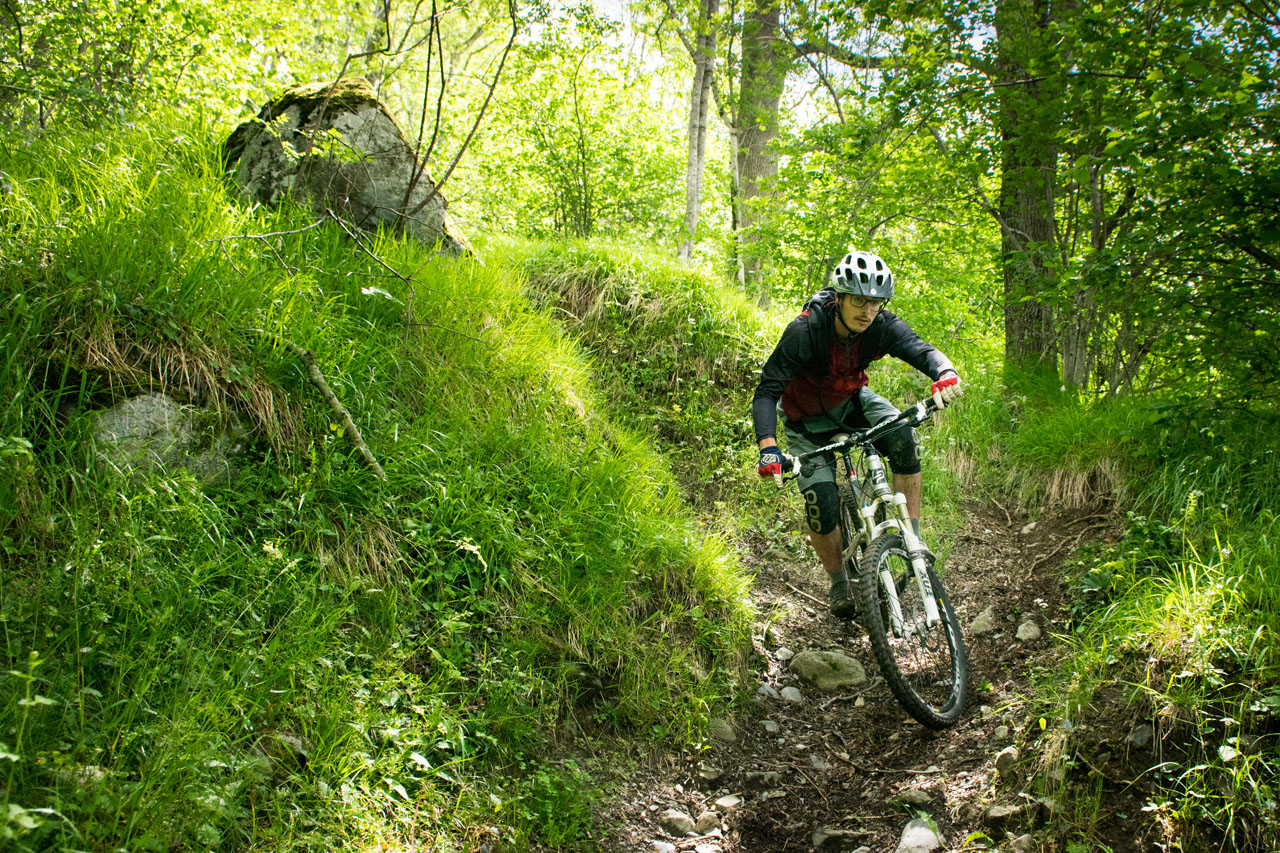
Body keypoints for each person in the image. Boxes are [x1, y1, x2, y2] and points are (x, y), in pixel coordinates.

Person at [752, 250, 962, 618]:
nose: (868, 312)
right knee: (823, 504)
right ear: (840, 298)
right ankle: (837, 581)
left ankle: (911, 535)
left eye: (876, 303)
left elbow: (919, 348)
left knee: (902, 436)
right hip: (805, 423)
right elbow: (767, 391)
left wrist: (944, 372)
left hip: (853, 403)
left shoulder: (879, 325)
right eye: (860, 301)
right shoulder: (806, 331)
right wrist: (769, 448)